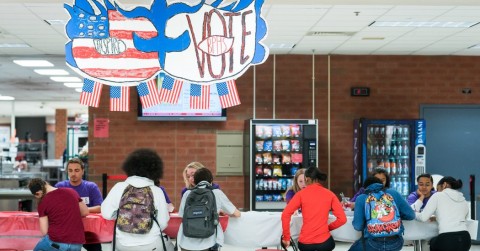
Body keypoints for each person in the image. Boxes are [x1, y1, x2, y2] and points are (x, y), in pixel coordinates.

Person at [101, 148, 170, 251]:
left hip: (123, 243)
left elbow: (106, 213)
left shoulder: (119, 187)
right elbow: (163, 222)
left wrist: (123, 214)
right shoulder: (156, 191)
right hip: (151, 244)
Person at [281, 167, 346, 251]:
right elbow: (343, 219)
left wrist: (286, 237)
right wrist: (328, 227)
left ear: (307, 179)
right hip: (324, 243)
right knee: (329, 243)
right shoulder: (330, 194)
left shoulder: (300, 194)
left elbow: (285, 214)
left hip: (305, 244)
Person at [177, 167, 241, 251]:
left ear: (195, 181)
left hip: (186, 243)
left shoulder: (187, 193)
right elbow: (236, 213)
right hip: (209, 243)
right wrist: (220, 212)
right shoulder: (216, 192)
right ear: (211, 180)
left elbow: (182, 216)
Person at [348, 176, 415, 251]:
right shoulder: (393, 193)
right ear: (382, 185)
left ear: (365, 188)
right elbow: (411, 215)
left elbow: (358, 226)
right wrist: (395, 216)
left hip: (372, 243)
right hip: (396, 243)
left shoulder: (361, 198)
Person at [55, 157, 103, 251]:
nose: (73, 174)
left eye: (76, 170)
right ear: (67, 172)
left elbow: (100, 207)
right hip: (66, 230)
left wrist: (80, 211)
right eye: (70, 170)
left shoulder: (91, 187)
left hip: (88, 230)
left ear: (82, 171)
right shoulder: (60, 187)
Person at [28, 178, 89, 251]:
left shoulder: (43, 202)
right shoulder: (71, 191)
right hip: (77, 244)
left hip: (57, 242)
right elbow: (85, 212)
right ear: (46, 183)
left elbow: (44, 231)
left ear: (37, 193)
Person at [415, 176, 471, 251]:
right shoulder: (463, 200)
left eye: (438, 189)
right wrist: (437, 217)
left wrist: (414, 213)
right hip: (465, 240)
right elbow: (462, 218)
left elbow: (423, 217)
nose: (437, 191)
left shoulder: (438, 195)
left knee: (432, 242)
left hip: (447, 240)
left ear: (444, 185)